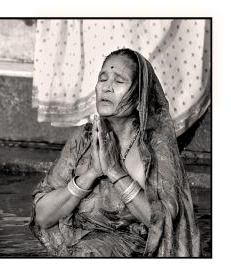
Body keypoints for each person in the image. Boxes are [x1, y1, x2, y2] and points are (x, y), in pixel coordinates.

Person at [29, 48, 201, 257]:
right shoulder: (84, 138)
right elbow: (43, 216)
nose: (107, 88)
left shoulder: (154, 147)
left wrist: (114, 171)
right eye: (103, 79)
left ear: (139, 98)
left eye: (119, 82)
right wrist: (91, 174)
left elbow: (163, 222)